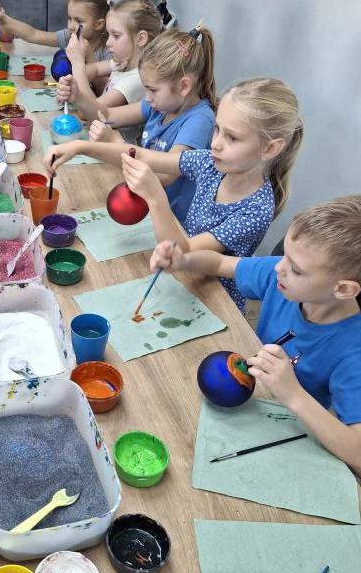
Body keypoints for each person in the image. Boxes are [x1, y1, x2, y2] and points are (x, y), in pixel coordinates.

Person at [46, 78, 303, 310]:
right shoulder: (210, 164)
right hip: (182, 280)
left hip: (214, 304)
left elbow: (184, 252)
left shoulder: (256, 211)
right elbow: (142, 155)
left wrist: (155, 197)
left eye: (232, 138)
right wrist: (81, 146)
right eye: (217, 129)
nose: (216, 143)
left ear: (269, 148)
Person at [149, 195, 361, 474]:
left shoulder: (353, 352)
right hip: (250, 402)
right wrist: (184, 260)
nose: (279, 267)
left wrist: (293, 394)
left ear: (343, 289)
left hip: (288, 434)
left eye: (296, 269)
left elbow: (357, 453)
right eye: (285, 256)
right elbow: (219, 264)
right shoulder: (282, 278)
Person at [89, 26, 216, 222]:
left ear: (183, 86)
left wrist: (115, 142)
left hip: (172, 222)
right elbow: (107, 115)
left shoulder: (199, 121)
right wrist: (77, 93)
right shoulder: (159, 106)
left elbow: (166, 174)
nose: (147, 97)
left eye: (152, 90)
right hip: (145, 206)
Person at [56, 0, 163, 142]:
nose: (108, 43)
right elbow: (94, 70)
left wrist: (77, 64)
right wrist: (70, 83)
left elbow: (90, 112)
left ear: (141, 38)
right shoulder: (122, 62)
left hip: (116, 148)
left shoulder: (138, 79)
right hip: (98, 136)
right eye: (109, 35)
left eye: (116, 36)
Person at [0, 0, 110, 63]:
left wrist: (88, 57)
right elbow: (33, 34)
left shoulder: (109, 50)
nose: (71, 26)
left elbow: (103, 89)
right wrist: (4, 19)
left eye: (79, 21)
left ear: (99, 24)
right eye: (69, 18)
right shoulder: (69, 36)